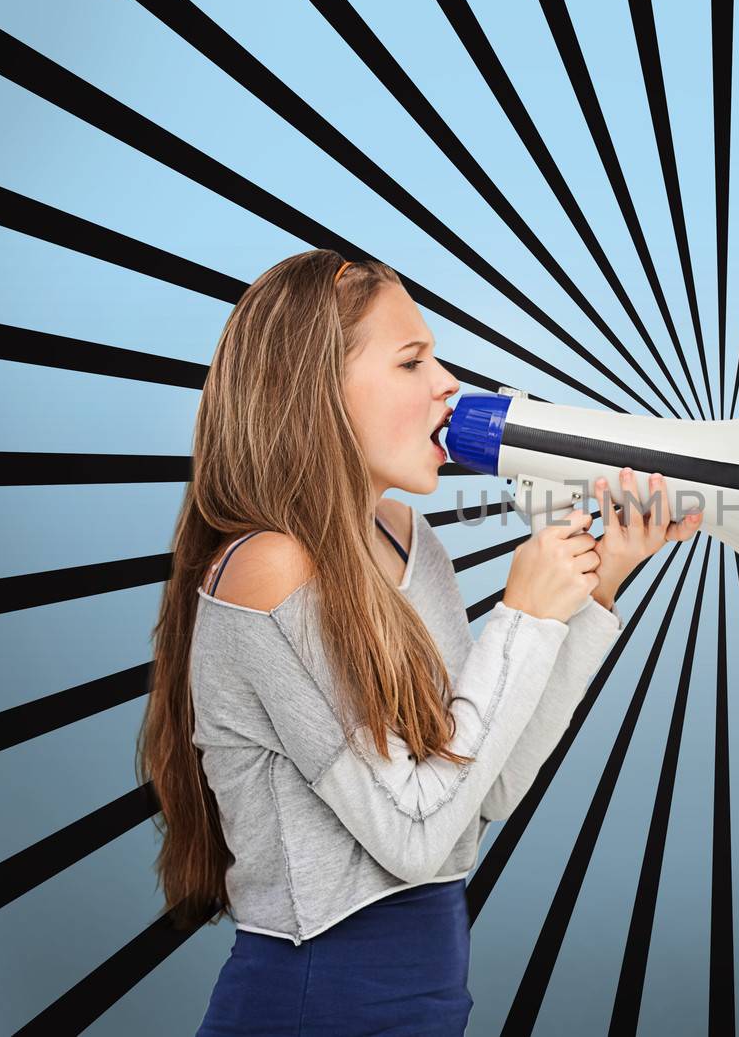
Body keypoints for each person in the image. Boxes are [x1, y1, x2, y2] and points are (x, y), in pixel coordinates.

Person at [136, 250, 702, 1035]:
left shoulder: (406, 538)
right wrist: (523, 616)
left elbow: (482, 790)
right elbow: (409, 836)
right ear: (316, 389)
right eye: (413, 360)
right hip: (314, 1004)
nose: (448, 384)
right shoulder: (268, 569)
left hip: (423, 1001)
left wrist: (597, 586)